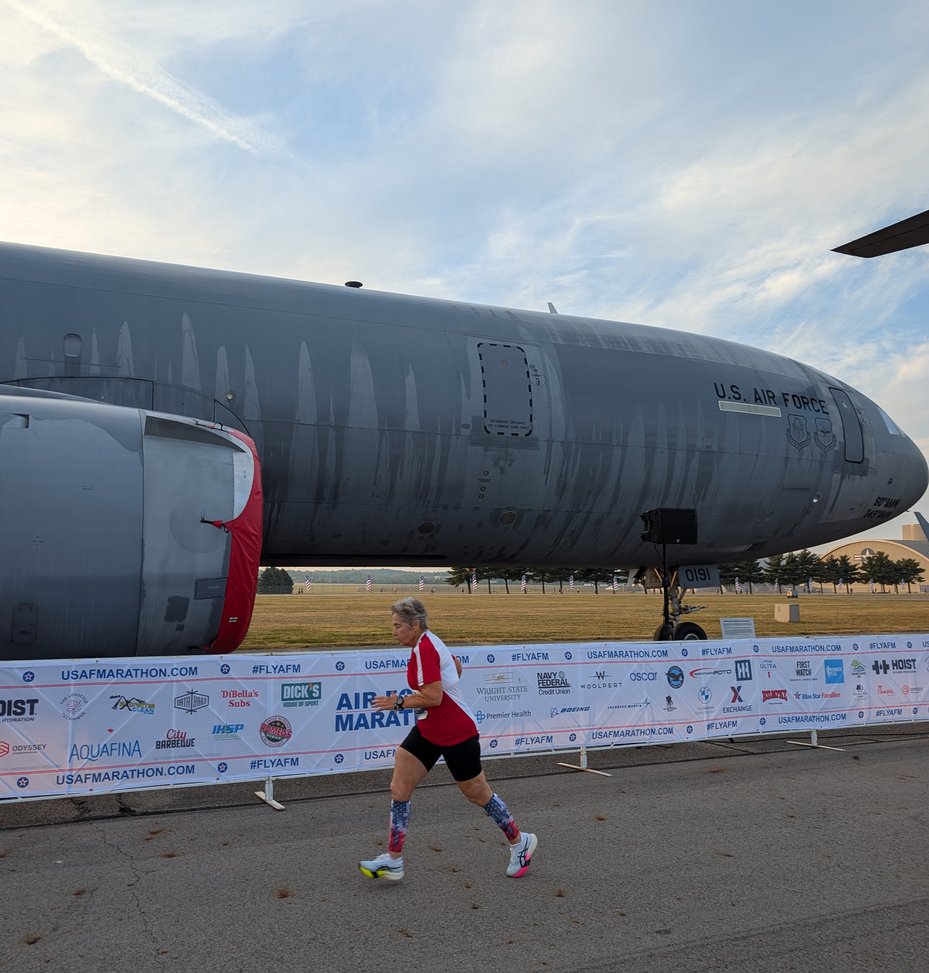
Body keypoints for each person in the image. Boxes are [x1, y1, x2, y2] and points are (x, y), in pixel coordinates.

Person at [359, 597, 537, 882]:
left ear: (415, 625)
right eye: (393, 626)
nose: (393, 631)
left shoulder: (425, 648)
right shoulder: (425, 644)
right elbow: (455, 669)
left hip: (456, 732)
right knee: (400, 786)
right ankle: (393, 859)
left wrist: (398, 702)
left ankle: (519, 842)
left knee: (477, 793)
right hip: (429, 729)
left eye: (398, 626)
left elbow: (434, 697)